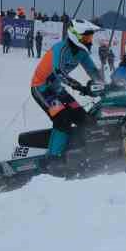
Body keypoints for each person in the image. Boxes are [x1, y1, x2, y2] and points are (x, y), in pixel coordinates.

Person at [30, 19, 104, 159]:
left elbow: (92, 70)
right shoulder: (61, 49)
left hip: (57, 89)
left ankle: (80, 151)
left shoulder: (82, 52)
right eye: (86, 37)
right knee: (62, 120)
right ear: (75, 36)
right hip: (42, 89)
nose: (89, 40)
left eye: (90, 37)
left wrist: (104, 84)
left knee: (83, 118)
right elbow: (59, 72)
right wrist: (81, 87)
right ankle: (53, 158)